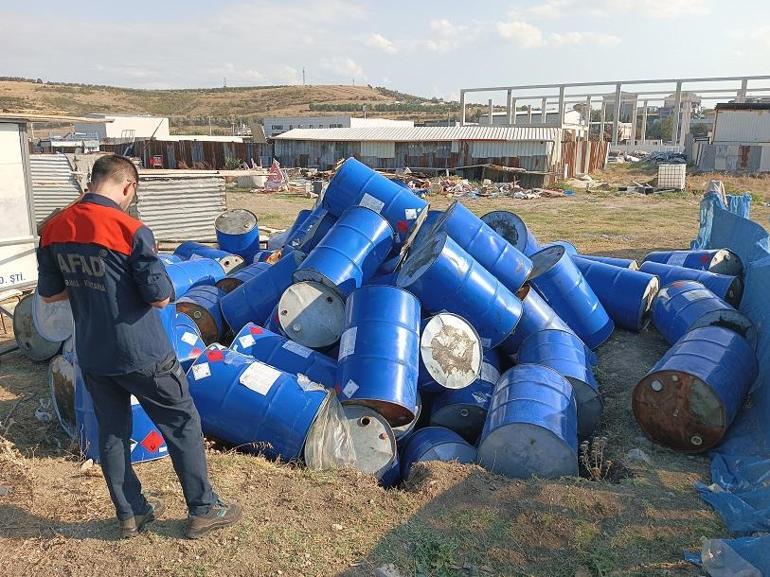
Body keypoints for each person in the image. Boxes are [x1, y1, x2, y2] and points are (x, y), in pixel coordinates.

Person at [36, 154, 241, 539]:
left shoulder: (54, 229)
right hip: (142, 352)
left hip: (93, 352)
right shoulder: (130, 229)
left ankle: (130, 514)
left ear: (94, 180)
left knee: (112, 432)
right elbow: (161, 298)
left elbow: (49, 296)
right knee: (181, 423)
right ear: (127, 186)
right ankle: (203, 508)